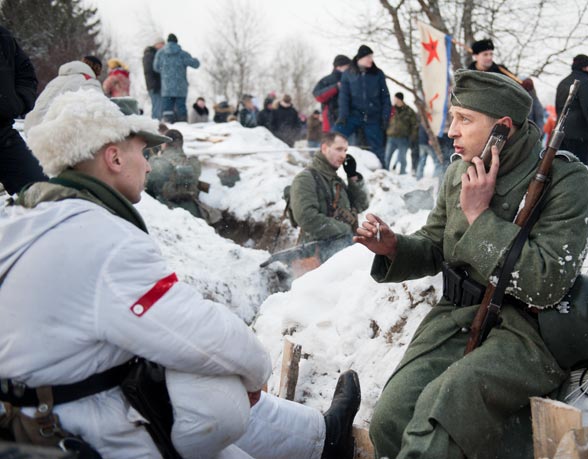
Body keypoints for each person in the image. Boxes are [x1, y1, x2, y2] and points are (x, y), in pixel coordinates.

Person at [0, 89, 361, 459]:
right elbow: (199, 334)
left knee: (192, 391)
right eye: (142, 153)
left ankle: (320, 438)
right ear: (113, 158)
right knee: (215, 391)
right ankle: (323, 441)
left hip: (46, 412)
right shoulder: (102, 239)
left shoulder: (23, 222)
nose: (149, 166)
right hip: (81, 429)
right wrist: (256, 371)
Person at [355, 70, 588, 459]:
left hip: (524, 330)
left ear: (503, 128)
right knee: (391, 419)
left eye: (464, 119)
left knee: (439, 420)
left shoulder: (565, 181)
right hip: (456, 316)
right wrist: (393, 247)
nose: (451, 130)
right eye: (452, 117)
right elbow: (435, 245)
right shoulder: (458, 172)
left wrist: (480, 217)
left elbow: (546, 282)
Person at [289, 132, 369, 260]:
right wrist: (344, 230)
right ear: (325, 148)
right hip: (317, 253)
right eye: (338, 149)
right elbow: (306, 217)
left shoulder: (335, 180)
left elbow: (361, 205)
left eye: (345, 150)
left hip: (338, 250)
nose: (343, 155)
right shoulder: (305, 179)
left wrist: (353, 176)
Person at [0, 25, 47, 195]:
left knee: (43, 195)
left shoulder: (2, 36)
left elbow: (26, 75)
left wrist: (16, 103)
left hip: (3, 135)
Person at [335, 45, 391, 167]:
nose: (371, 59)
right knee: (335, 135)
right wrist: (343, 116)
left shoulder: (378, 74)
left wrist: (385, 117)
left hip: (373, 117)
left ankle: (383, 173)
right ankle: (327, 166)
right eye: (368, 57)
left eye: (372, 56)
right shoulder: (348, 74)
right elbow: (344, 97)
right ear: (360, 58)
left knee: (377, 147)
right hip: (353, 115)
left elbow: (385, 97)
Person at [555, 54, 588, 168]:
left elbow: (558, 108)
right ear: (584, 67)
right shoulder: (585, 83)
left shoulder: (562, 83)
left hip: (561, 132)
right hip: (579, 135)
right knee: (578, 168)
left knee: (563, 167)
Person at [23, 60, 102, 135]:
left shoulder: (57, 79)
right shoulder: (89, 81)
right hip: (52, 134)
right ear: (97, 70)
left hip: (30, 128)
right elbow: (99, 110)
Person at [153, 33, 200, 123]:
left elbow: (156, 67)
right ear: (176, 42)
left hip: (167, 87)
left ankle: (168, 125)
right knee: (181, 107)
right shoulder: (182, 54)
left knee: (167, 109)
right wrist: (196, 60)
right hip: (180, 86)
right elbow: (195, 64)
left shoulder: (160, 53)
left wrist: (165, 72)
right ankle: (183, 124)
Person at [313, 54, 351, 132]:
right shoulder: (327, 80)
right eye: (347, 66)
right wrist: (336, 87)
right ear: (339, 66)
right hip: (331, 119)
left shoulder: (352, 79)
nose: (349, 68)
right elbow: (318, 95)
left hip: (350, 119)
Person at [384, 92, 417, 173]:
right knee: (387, 157)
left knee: (402, 158)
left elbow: (414, 125)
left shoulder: (409, 111)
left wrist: (412, 137)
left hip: (403, 138)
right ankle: (385, 172)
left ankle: (402, 173)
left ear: (399, 99)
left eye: (395, 99)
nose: (394, 100)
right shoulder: (391, 109)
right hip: (391, 137)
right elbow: (385, 121)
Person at [142, 37, 165, 120]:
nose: (163, 46)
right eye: (162, 44)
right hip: (154, 85)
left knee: (159, 106)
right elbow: (149, 70)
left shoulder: (154, 54)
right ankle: (156, 125)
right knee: (157, 107)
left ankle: (157, 123)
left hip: (156, 84)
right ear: (156, 44)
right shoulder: (150, 54)